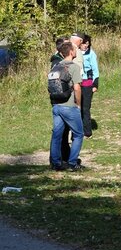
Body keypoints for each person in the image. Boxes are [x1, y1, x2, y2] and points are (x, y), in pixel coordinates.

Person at [50, 42, 84, 171]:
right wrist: (78, 104)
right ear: (70, 52)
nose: (76, 51)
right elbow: (77, 87)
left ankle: (56, 163)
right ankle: (72, 163)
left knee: (57, 135)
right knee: (78, 134)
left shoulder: (56, 66)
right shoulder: (74, 67)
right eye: (75, 49)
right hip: (69, 106)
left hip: (56, 106)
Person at [49, 36, 71, 163]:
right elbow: (57, 85)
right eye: (67, 45)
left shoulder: (59, 61)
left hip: (58, 99)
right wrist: (70, 91)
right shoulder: (57, 63)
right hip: (60, 100)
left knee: (62, 131)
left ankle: (62, 156)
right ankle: (58, 158)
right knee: (59, 131)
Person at [80, 34, 99, 138]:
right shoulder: (75, 53)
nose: (86, 46)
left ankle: (87, 132)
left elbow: (95, 70)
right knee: (77, 108)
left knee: (85, 108)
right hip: (77, 83)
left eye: (87, 44)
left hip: (88, 83)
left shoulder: (91, 54)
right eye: (84, 43)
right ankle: (78, 130)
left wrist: (95, 84)